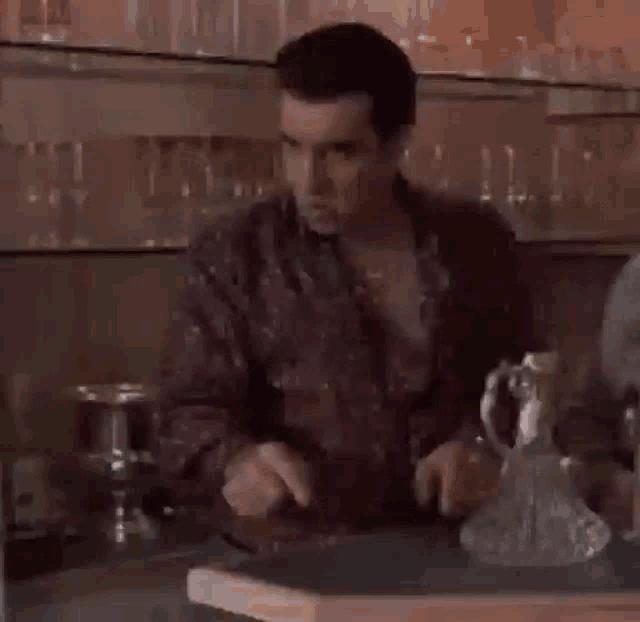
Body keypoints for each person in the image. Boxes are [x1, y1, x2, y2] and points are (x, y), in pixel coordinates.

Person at [152, 22, 624, 537]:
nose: (309, 181)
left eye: (340, 152)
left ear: (397, 143)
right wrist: (236, 459)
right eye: (292, 147)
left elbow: (525, 386)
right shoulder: (236, 253)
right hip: (298, 556)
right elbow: (184, 414)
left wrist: (478, 447)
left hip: (461, 549)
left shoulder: (476, 242)